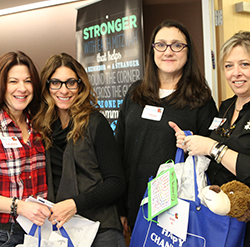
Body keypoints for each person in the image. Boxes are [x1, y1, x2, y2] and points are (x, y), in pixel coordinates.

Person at [115, 19, 218, 232]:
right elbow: (120, 152)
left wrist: (189, 144)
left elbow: (211, 157)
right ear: (152, 50)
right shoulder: (135, 94)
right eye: (160, 44)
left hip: (180, 211)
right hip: (136, 203)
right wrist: (120, 207)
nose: (168, 51)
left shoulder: (201, 100)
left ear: (188, 51)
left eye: (177, 45)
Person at [32, 53, 126, 247]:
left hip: (101, 229)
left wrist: (76, 204)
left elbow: (116, 183)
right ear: (47, 86)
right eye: (56, 83)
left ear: (80, 86)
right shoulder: (43, 127)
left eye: (71, 83)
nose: (64, 90)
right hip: (61, 230)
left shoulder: (95, 123)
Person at [169, 30, 250, 247]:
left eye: (244, 64)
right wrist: (191, 143)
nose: (236, 73)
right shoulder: (226, 107)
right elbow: (211, 150)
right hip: (218, 218)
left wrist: (214, 148)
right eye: (229, 66)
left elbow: (218, 150)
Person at [0, 51, 50, 246]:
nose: (22, 88)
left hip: (39, 232)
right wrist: (18, 206)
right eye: (13, 81)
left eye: (27, 81)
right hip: (5, 234)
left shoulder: (39, 126)